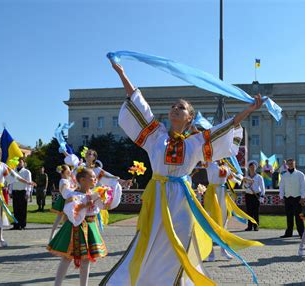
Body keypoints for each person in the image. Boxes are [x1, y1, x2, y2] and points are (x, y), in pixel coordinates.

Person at [101, 62, 262, 286]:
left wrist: (249, 110)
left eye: (182, 107)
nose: (176, 108)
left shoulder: (196, 142)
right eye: (174, 106)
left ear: (189, 118)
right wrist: (122, 73)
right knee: (151, 240)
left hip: (182, 198)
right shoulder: (156, 135)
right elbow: (139, 103)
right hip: (158, 196)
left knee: (182, 241)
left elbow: (225, 127)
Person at [47, 167, 122, 286]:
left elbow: (106, 206)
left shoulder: (95, 194)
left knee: (86, 259)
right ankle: (57, 284)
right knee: (67, 258)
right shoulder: (73, 195)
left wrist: (115, 189)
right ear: (82, 180)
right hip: (74, 228)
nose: (95, 179)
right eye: (91, 177)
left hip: (91, 227)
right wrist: (84, 205)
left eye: (94, 177)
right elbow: (69, 210)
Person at [203, 160, 254, 261]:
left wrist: (243, 179)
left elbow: (232, 177)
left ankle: (224, 250)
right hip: (212, 194)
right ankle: (210, 252)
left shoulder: (225, 164)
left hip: (222, 193)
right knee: (210, 222)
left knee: (223, 222)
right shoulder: (209, 162)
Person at [279, 158, 305, 238]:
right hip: (287, 198)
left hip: (297, 198)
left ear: (295, 164)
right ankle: (288, 233)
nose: (290, 164)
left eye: (292, 163)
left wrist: (303, 197)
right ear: (287, 164)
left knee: (299, 217)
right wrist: (281, 197)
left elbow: (303, 186)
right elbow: (281, 187)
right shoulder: (284, 175)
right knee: (289, 216)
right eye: (289, 163)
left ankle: (302, 233)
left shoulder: (300, 174)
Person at [49, 164, 76, 242]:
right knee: (59, 220)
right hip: (65, 200)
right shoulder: (63, 181)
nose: (69, 171)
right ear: (63, 172)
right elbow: (66, 190)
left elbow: (74, 175)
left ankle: (62, 238)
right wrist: (75, 187)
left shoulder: (69, 179)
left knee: (65, 220)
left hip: (69, 200)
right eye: (68, 170)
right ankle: (52, 237)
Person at [10, 158, 32, 230]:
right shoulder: (13, 171)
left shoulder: (26, 172)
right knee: (15, 209)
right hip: (15, 191)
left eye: (21, 162)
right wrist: (10, 191)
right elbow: (11, 182)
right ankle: (16, 224)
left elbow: (29, 182)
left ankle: (22, 225)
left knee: (22, 209)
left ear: (24, 163)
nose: (19, 163)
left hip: (23, 192)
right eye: (18, 162)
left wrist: (28, 192)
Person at [243, 160, 265, 231]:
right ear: (249, 168)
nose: (252, 168)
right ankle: (249, 226)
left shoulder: (259, 177)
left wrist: (262, 196)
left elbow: (262, 187)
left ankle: (256, 226)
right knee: (249, 211)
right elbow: (244, 187)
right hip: (248, 195)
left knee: (256, 211)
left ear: (255, 168)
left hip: (256, 195)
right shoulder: (246, 177)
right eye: (251, 167)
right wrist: (246, 184)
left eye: (253, 167)